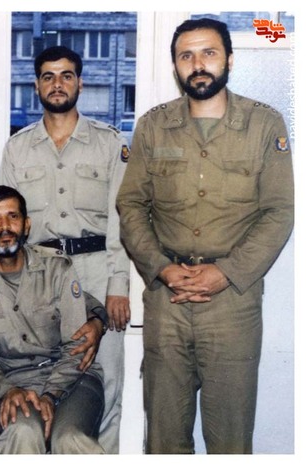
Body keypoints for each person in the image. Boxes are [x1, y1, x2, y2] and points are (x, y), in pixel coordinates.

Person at [116, 18, 294, 454]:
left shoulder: (264, 124)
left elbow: (279, 212)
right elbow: (131, 206)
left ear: (229, 60)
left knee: (230, 440)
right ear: (176, 66)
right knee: (163, 439)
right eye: (186, 56)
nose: (198, 65)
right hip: (167, 300)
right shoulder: (153, 126)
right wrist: (162, 269)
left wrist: (226, 273)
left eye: (208, 53)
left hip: (233, 303)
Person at [0, 45, 130, 453]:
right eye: (49, 77)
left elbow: (123, 220)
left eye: (66, 75)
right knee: (43, 374)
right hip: (40, 277)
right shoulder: (18, 148)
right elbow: (5, 219)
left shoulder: (109, 143)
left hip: (96, 270)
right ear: (36, 85)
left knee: (106, 382)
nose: (58, 84)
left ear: (80, 83)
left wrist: (119, 285)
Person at [0, 185, 107, 454]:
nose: (5, 227)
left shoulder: (57, 268)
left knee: (69, 438)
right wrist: (5, 391)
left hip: (73, 379)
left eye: (13, 216)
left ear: (26, 225)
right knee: (22, 431)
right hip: (12, 381)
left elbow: (77, 345)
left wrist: (51, 394)